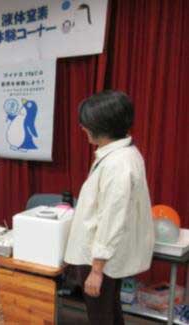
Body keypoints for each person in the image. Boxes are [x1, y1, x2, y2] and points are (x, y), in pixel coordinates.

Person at [64, 91, 154, 324]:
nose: (82, 127)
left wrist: (96, 269)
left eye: (85, 123)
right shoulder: (123, 154)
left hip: (99, 258)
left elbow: (112, 218)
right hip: (103, 256)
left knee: (101, 317)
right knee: (111, 312)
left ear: (100, 126)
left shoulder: (117, 164)